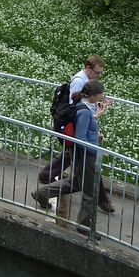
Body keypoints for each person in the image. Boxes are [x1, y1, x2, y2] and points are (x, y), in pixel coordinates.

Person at [38, 55, 116, 213]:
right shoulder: (80, 83)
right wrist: (94, 127)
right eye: (97, 72)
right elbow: (78, 111)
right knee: (87, 177)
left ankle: (44, 185)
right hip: (82, 140)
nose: (99, 75)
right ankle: (99, 205)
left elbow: (82, 110)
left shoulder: (86, 91)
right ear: (88, 68)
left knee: (78, 176)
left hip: (83, 138)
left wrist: (95, 119)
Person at [33, 80, 110, 237]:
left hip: (82, 154)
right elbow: (80, 138)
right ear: (93, 95)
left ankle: (42, 193)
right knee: (90, 191)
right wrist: (96, 148)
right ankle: (84, 226)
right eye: (101, 94)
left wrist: (96, 133)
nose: (103, 96)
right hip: (86, 156)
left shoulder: (83, 107)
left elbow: (84, 131)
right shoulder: (84, 112)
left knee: (74, 183)